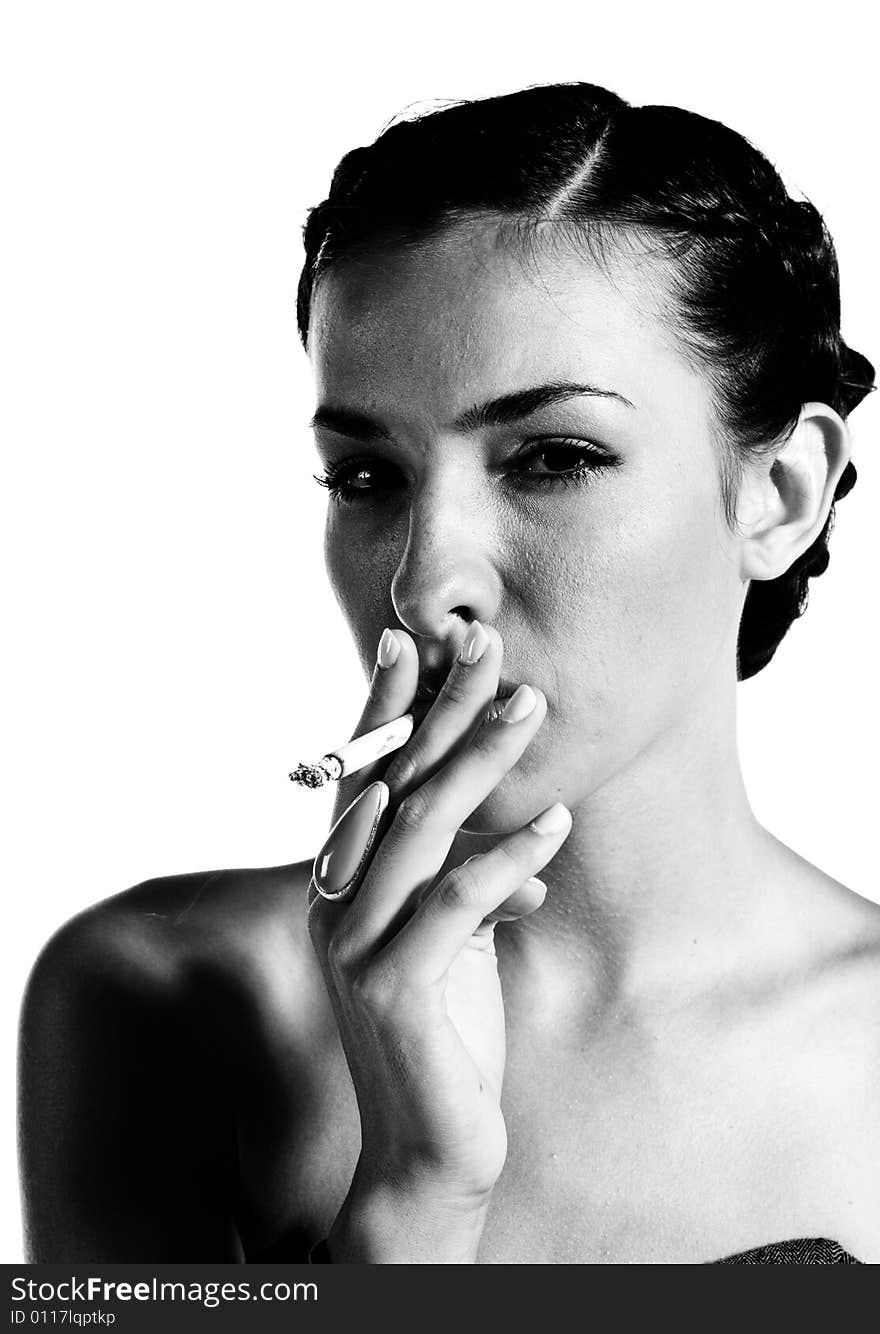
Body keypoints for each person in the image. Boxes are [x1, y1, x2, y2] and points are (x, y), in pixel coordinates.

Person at [18, 81, 878, 1264]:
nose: (426, 589)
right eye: (366, 475)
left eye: (552, 457)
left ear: (779, 495)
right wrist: (414, 1196)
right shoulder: (166, 1002)